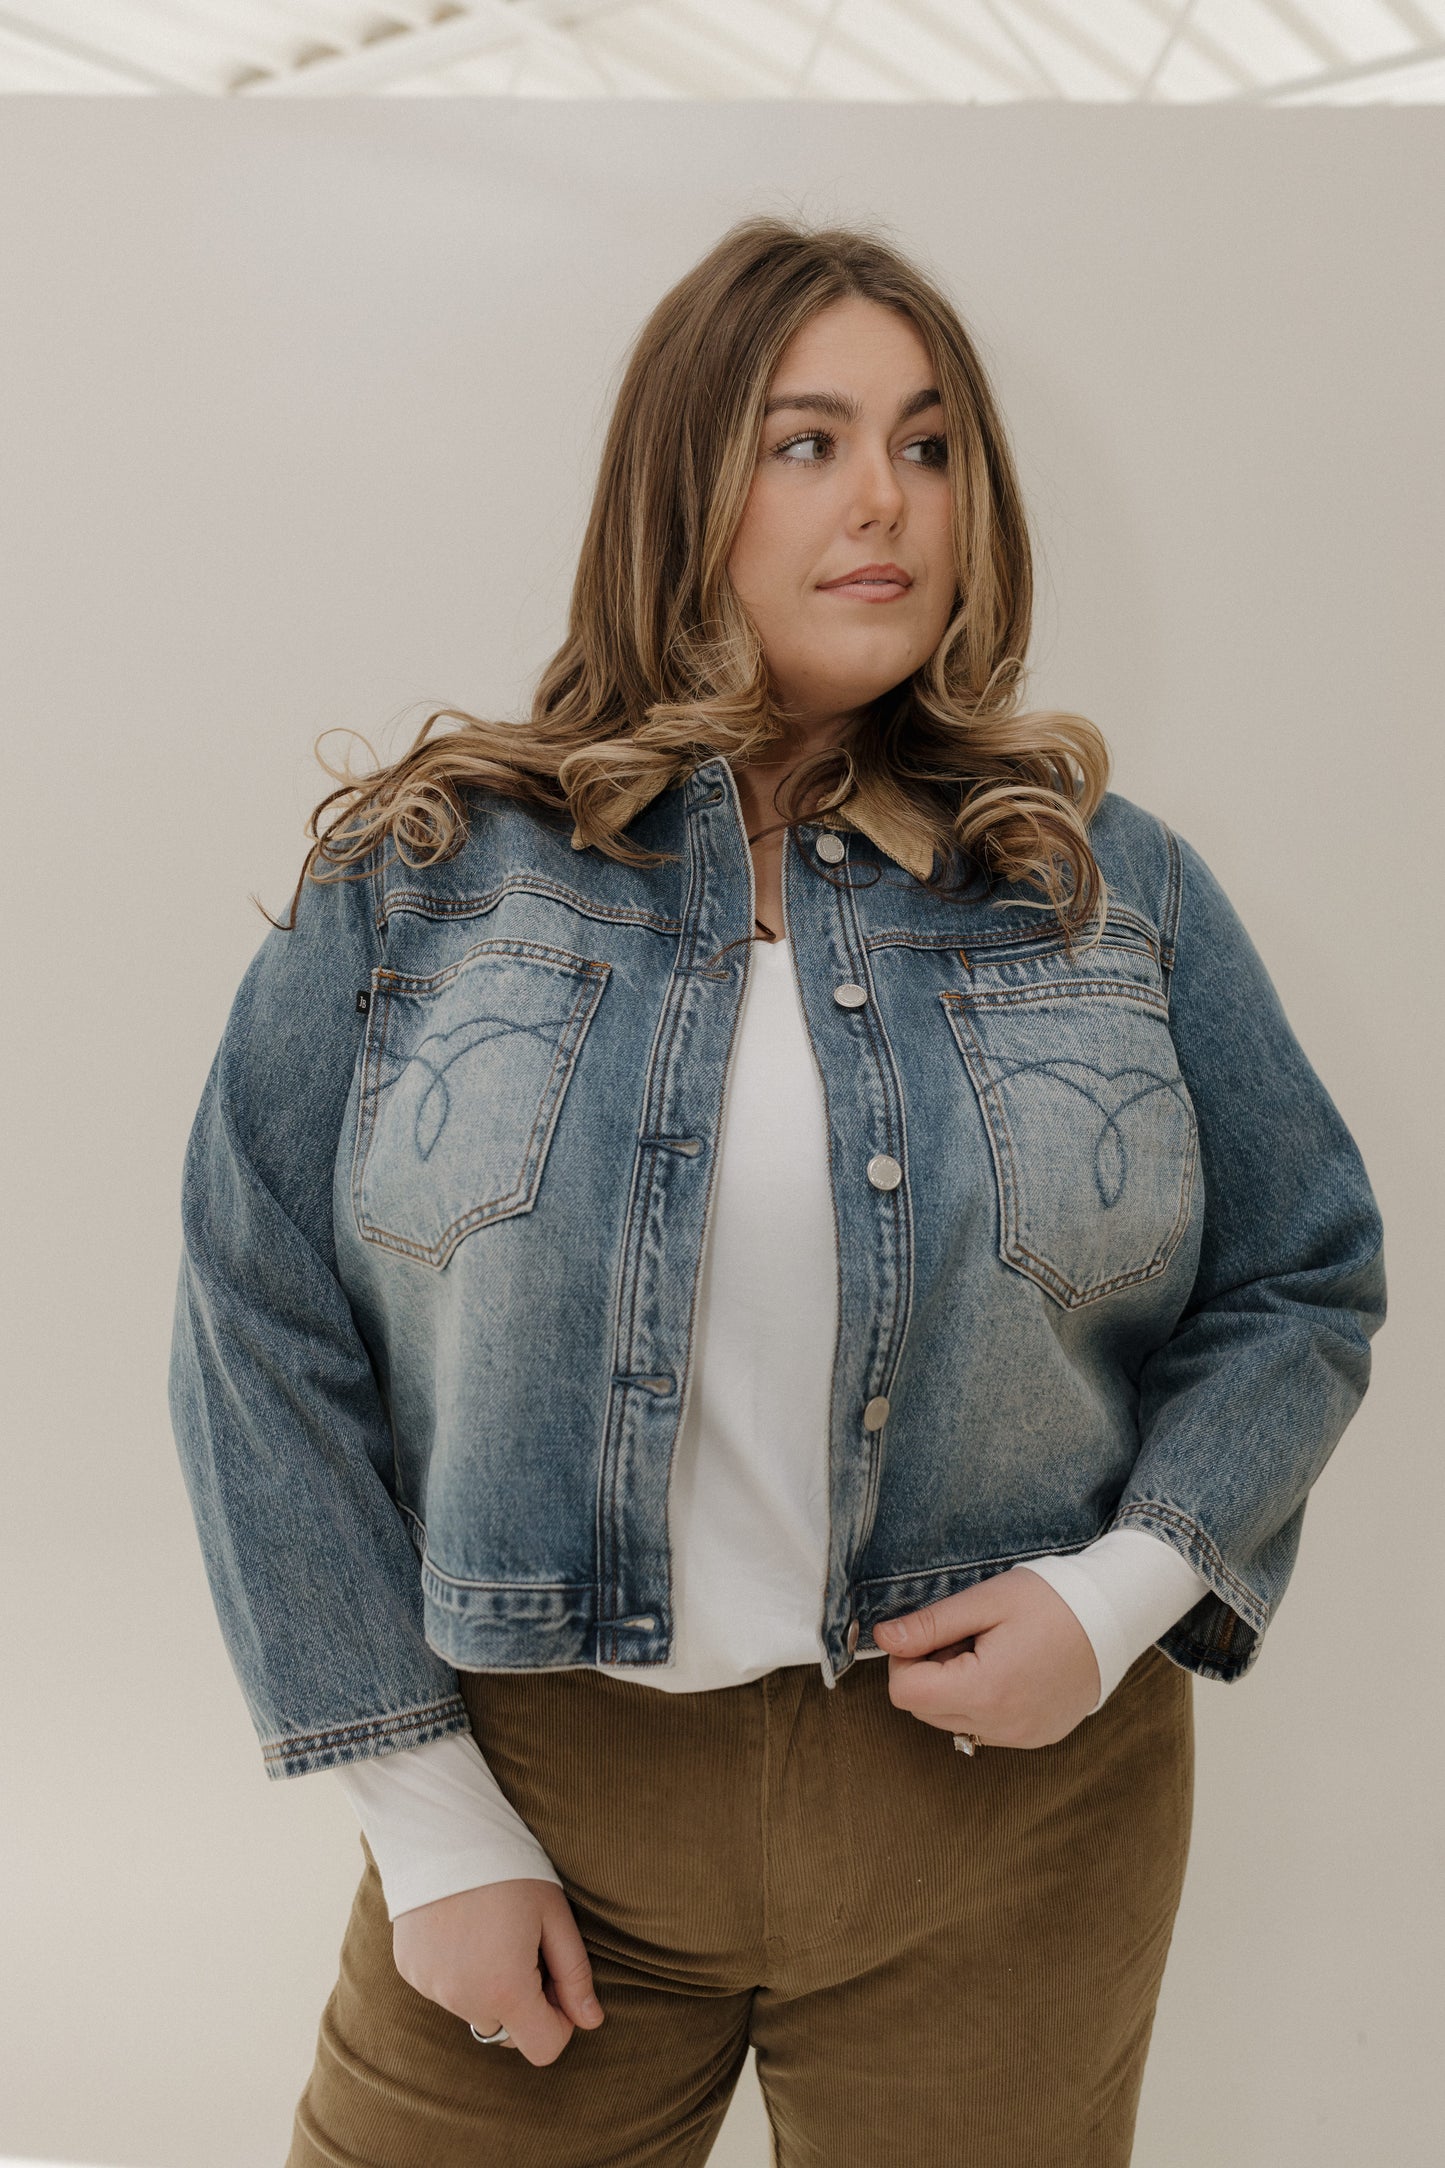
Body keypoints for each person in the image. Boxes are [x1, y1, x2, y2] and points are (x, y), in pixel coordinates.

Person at [168, 216, 1386, 2168]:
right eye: (806, 441)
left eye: (926, 442)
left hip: (1012, 1827)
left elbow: (1303, 1281)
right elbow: (258, 1329)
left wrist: (1117, 1594)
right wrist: (428, 1815)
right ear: (683, 489)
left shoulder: (1102, 882)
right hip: (544, 1788)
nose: (885, 498)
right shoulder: (429, 881)